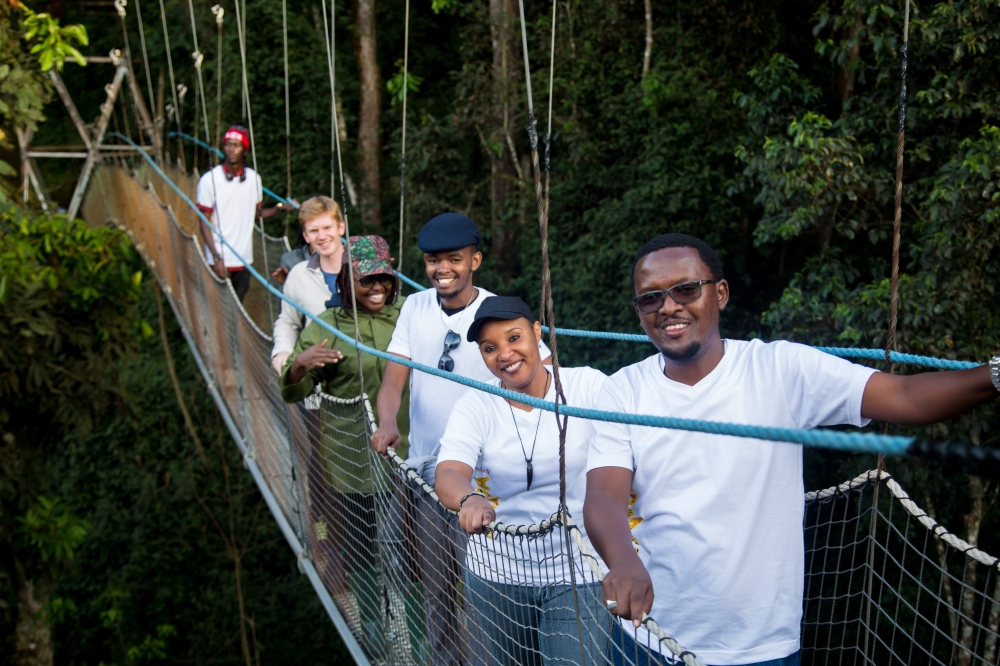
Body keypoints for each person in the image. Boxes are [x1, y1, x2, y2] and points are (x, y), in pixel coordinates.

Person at [583, 233, 1000, 666]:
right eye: (650, 299)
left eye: (686, 290)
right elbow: (604, 495)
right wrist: (622, 561)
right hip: (648, 640)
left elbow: (905, 397)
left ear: (720, 294)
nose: (668, 307)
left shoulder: (780, 369)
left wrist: (994, 376)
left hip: (762, 649)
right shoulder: (623, 390)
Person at [370, 212, 550, 666]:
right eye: (433, 261)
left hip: (490, 482)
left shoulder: (499, 312)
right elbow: (393, 381)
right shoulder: (413, 308)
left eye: (454, 259)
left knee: (487, 590)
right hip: (430, 477)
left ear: (476, 260)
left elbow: (547, 377)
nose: (442, 269)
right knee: (439, 589)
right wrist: (387, 421)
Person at [435, 296, 611, 666]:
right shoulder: (476, 405)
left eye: (514, 338)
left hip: (577, 571)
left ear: (536, 333)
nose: (505, 353)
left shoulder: (588, 387)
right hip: (497, 574)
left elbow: (633, 450)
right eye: (490, 347)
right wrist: (468, 499)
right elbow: (449, 472)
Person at [280, 234, 409, 658]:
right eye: (367, 281)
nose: (378, 289)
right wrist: (300, 364)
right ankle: (374, 631)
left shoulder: (409, 315)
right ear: (344, 284)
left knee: (411, 552)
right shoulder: (325, 326)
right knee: (362, 550)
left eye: (384, 281)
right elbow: (294, 393)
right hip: (350, 461)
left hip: (408, 460)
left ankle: (416, 638)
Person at [195, 124, 282, 301]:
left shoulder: (253, 179)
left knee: (239, 305)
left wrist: (280, 208)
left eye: (236, 145)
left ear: (244, 149)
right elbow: (204, 221)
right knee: (220, 307)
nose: (231, 149)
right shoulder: (209, 179)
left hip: (243, 258)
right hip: (219, 258)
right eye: (228, 144)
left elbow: (256, 214)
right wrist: (216, 257)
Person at [271, 196, 347, 374]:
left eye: (327, 228)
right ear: (305, 236)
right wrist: (282, 350)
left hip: (365, 376)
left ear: (341, 228)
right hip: (317, 379)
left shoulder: (366, 268)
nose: (322, 237)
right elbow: (288, 321)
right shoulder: (298, 274)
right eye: (313, 231)